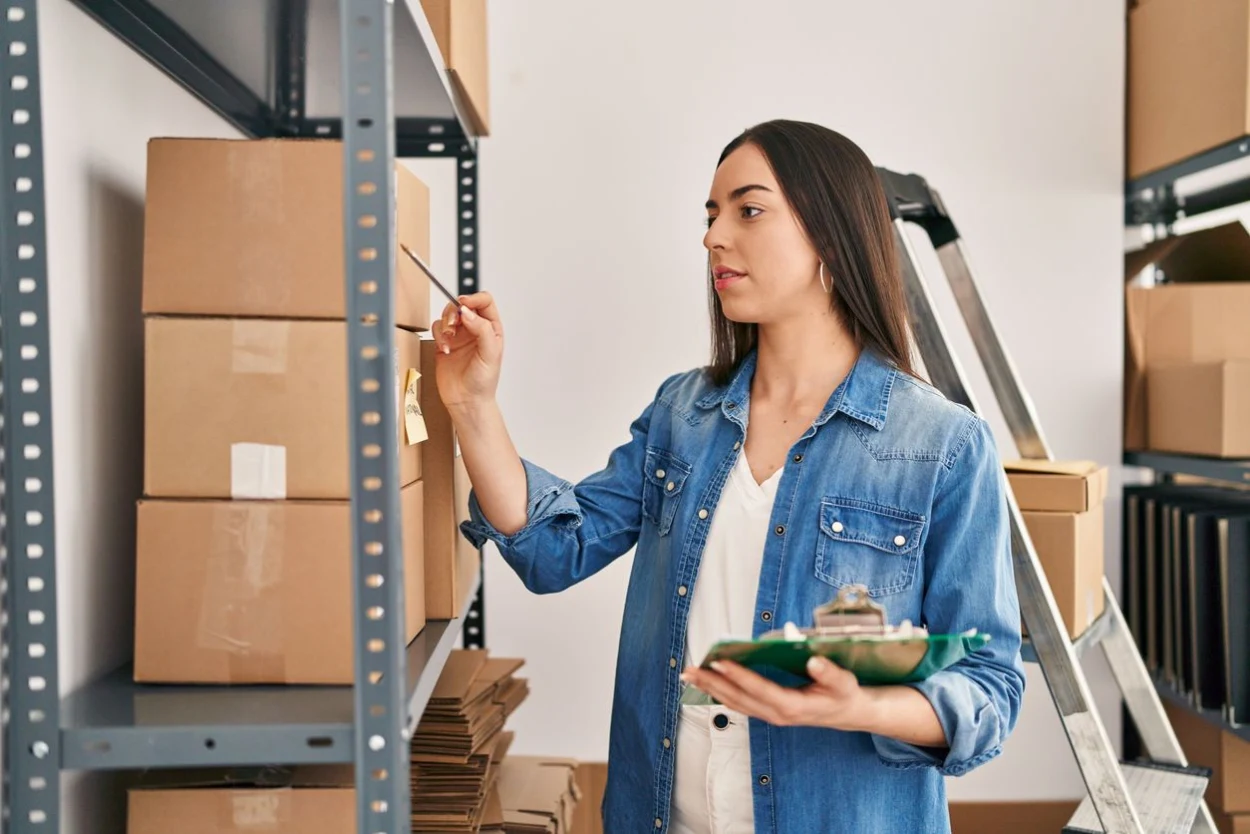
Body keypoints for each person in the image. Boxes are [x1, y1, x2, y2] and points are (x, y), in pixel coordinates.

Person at [430, 119, 1025, 834]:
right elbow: (556, 548)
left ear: (831, 237)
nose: (713, 237)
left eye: (748, 210)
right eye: (711, 216)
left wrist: (856, 705)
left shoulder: (942, 444)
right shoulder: (684, 413)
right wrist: (473, 402)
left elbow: (990, 689)